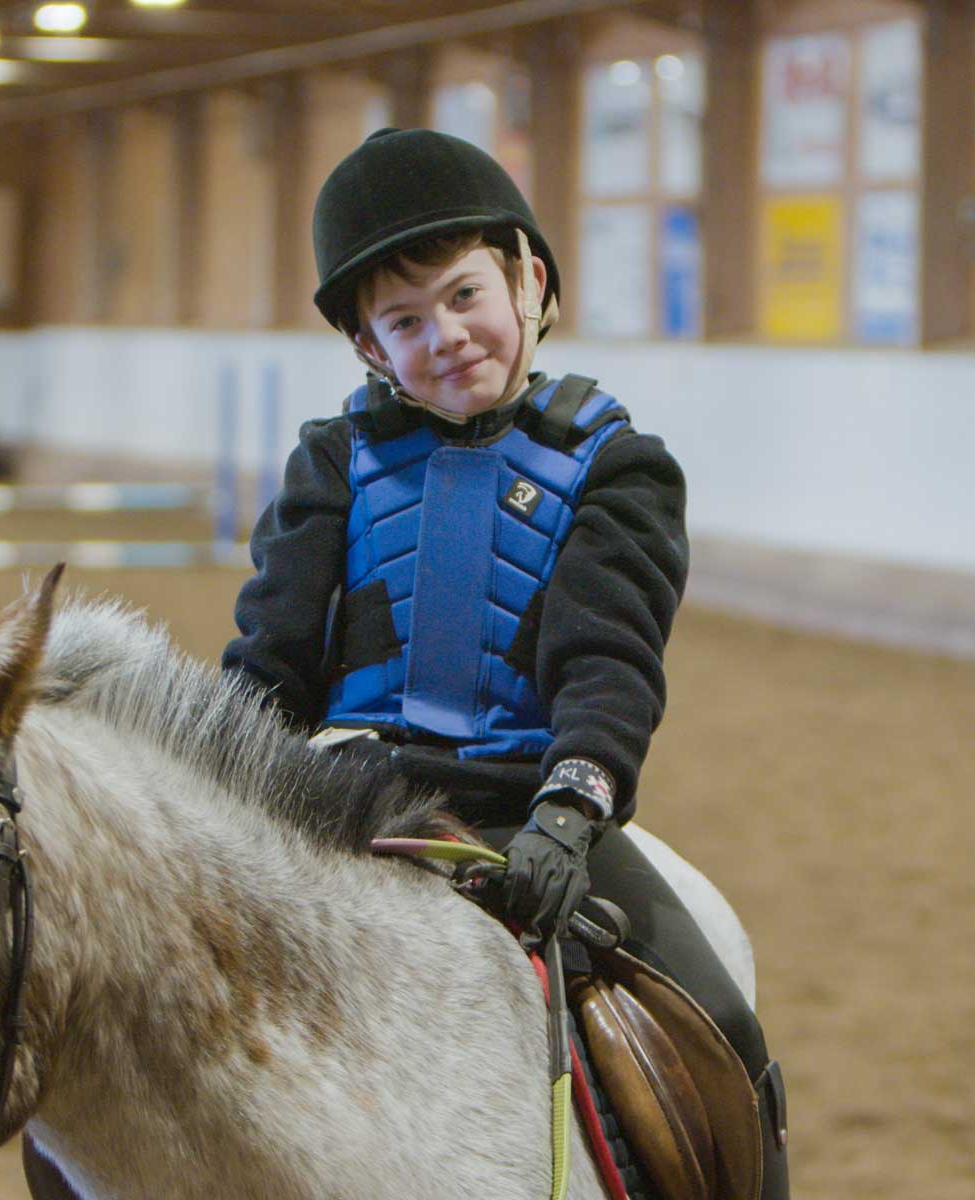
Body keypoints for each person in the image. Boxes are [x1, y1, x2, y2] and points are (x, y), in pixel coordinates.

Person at [221, 127, 788, 1198]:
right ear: (367, 350)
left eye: (462, 295)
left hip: (529, 819)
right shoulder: (332, 464)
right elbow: (268, 658)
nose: (445, 336)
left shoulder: (615, 468)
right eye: (404, 321)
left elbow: (606, 658)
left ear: (526, 278)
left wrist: (572, 810)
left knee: (713, 1017)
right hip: (348, 801)